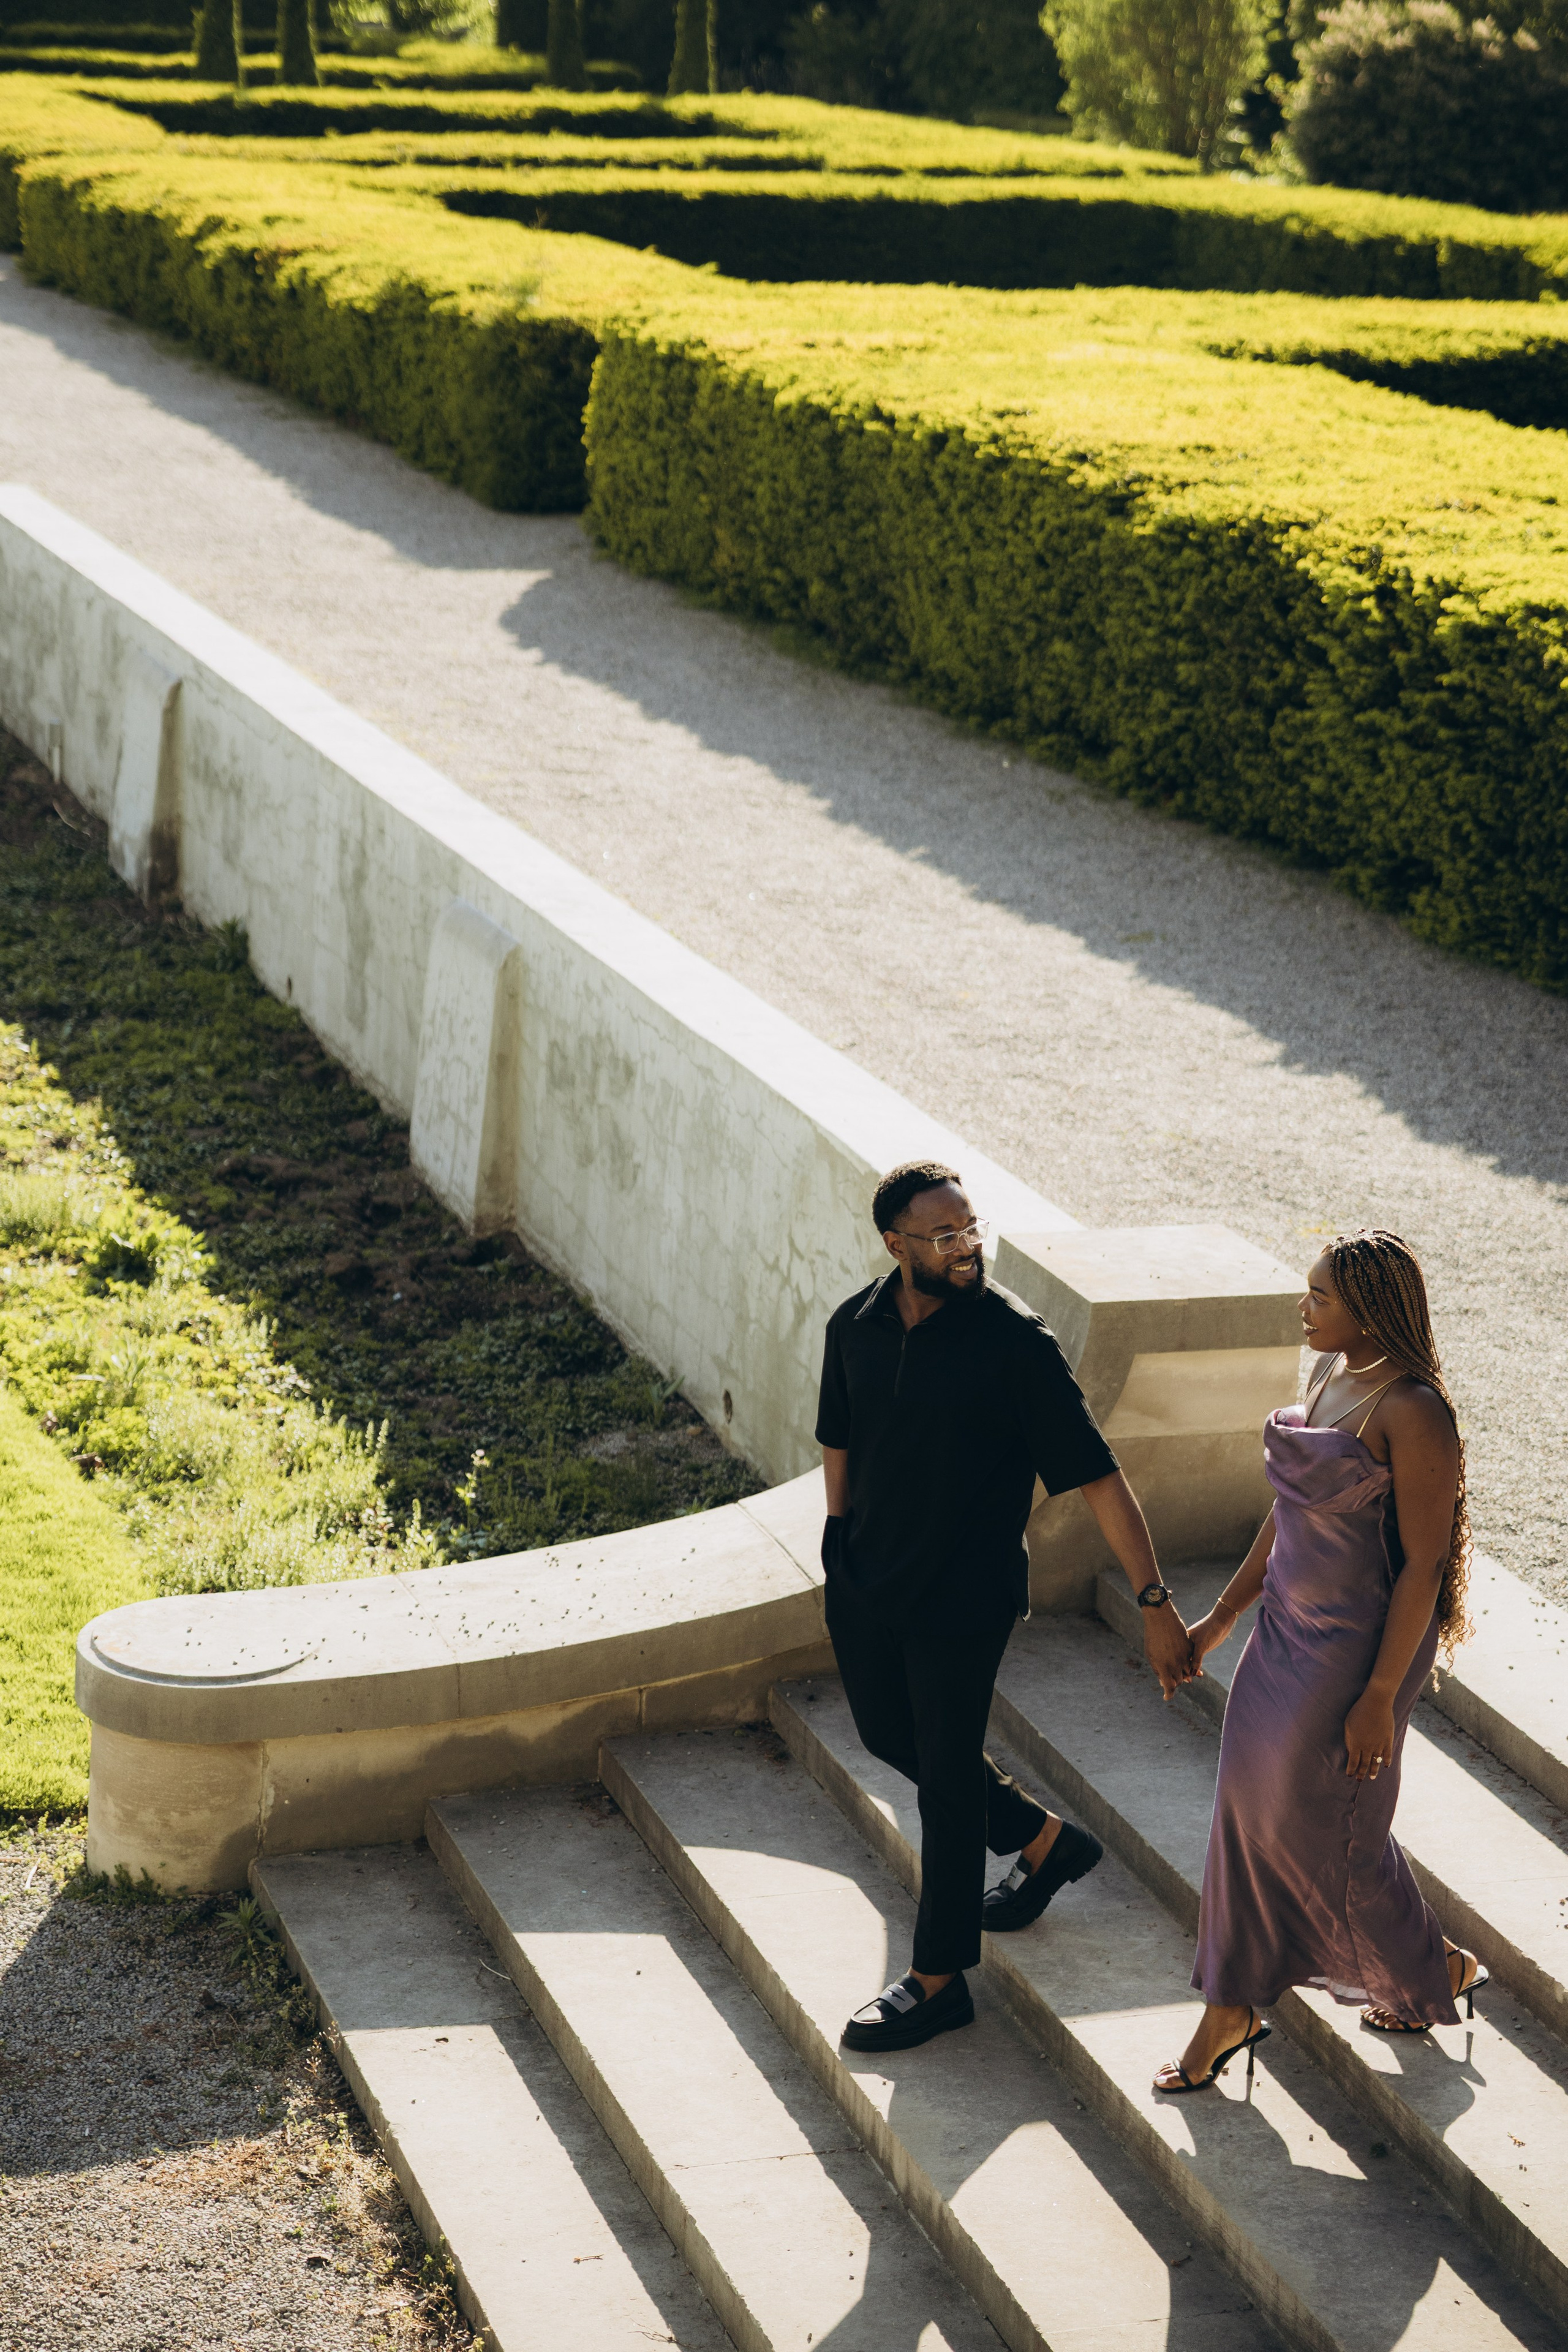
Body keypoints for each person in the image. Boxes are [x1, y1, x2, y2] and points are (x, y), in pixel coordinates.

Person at [818, 1159, 1194, 2055]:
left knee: (946, 1780)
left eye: (971, 1229)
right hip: (869, 1574)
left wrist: (1154, 1601)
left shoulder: (1013, 1341)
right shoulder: (857, 1323)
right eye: (944, 1237)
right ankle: (1043, 1842)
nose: (964, 1249)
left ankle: (939, 1980)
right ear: (895, 1244)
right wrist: (838, 1539)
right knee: (884, 1737)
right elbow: (838, 1432)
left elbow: (1101, 1478)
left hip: (964, 1594)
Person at [1156, 1228, 1485, 2095]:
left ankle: (1431, 1967)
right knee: (1247, 1814)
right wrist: (1226, 1613)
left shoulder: (1413, 1411)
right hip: (1285, 1637)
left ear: (1370, 1312)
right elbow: (1292, 1509)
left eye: (1320, 1298)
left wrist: (1380, 1694)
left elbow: (1425, 1563)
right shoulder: (1332, 1375)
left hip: (1359, 1651)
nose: (1303, 1308)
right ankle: (1234, 2002)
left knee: (1335, 1830)